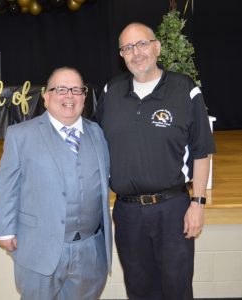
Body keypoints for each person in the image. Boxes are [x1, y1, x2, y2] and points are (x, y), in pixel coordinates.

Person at [95, 22, 216, 300]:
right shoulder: (111, 91)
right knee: (139, 290)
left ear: (157, 47)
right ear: (121, 55)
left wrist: (197, 204)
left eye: (142, 44)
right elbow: (95, 142)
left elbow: (201, 151)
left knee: (177, 288)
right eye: (127, 47)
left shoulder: (184, 89)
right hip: (127, 213)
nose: (136, 52)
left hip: (173, 210)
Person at [0, 67, 112, 300]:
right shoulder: (20, 135)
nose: (69, 96)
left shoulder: (97, 132)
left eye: (77, 90)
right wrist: (3, 229)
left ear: (84, 98)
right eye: (61, 89)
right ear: (46, 98)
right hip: (39, 248)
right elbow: (7, 185)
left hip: (89, 250)